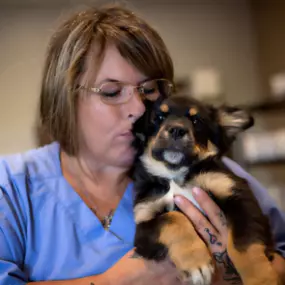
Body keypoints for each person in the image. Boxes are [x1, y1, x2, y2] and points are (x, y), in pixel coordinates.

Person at [0, 4, 284, 285]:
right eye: (111, 92)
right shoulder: (11, 188)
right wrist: (118, 281)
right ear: (65, 99)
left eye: (149, 90)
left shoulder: (207, 168)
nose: (138, 108)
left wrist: (229, 275)